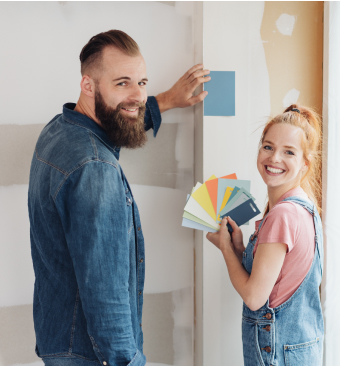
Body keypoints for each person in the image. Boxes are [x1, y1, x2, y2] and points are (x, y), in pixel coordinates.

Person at [28, 29, 210, 366]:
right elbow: (106, 291)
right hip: (92, 354)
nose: (137, 95)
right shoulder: (96, 168)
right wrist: (129, 360)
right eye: (122, 83)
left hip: (60, 339)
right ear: (88, 86)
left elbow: (118, 123)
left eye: (141, 82)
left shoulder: (60, 131)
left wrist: (165, 99)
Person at [207, 104, 324, 366]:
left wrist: (226, 250)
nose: (274, 158)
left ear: (305, 164)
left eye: (289, 152)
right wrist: (239, 251)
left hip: (276, 353)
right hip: (300, 351)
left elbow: (254, 297)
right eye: (268, 146)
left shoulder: (283, 215)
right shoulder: (304, 207)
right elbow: (278, 279)